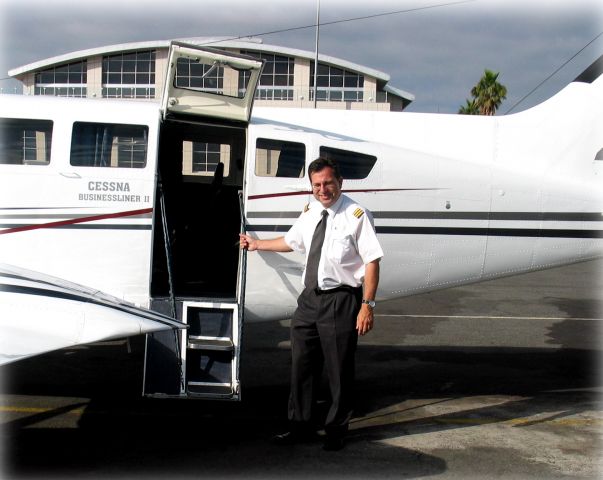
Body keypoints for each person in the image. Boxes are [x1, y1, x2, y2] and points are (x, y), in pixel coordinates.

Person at [239, 157, 383, 451]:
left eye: (328, 183)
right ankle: (299, 426)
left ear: (340, 182)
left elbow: (372, 260)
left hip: (341, 300)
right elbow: (293, 241)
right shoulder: (311, 211)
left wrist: (367, 304)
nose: (323, 189)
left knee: (338, 368)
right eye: (317, 184)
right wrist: (257, 245)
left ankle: (335, 430)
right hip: (309, 300)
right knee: (301, 365)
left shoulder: (357, 215)